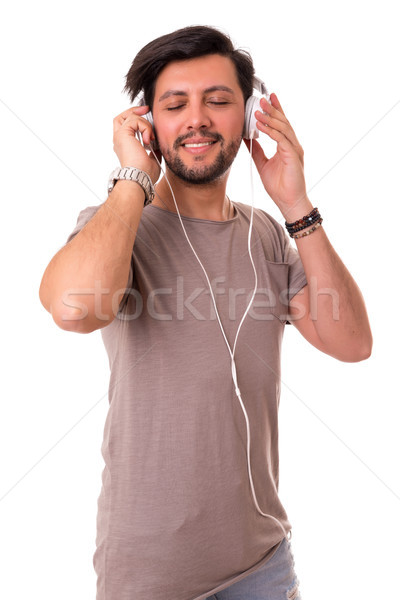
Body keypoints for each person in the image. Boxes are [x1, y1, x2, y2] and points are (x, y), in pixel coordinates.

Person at [39, 25, 372, 600]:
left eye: (218, 101)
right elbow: (75, 310)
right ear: (149, 122)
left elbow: (351, 342)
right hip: (149, 576)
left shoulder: (266, 233)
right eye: (175, 105)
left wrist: (296, 203)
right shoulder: (116, 226)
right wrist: (132, 178)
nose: (197, 119)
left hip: (264, 566)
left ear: (246, 119)